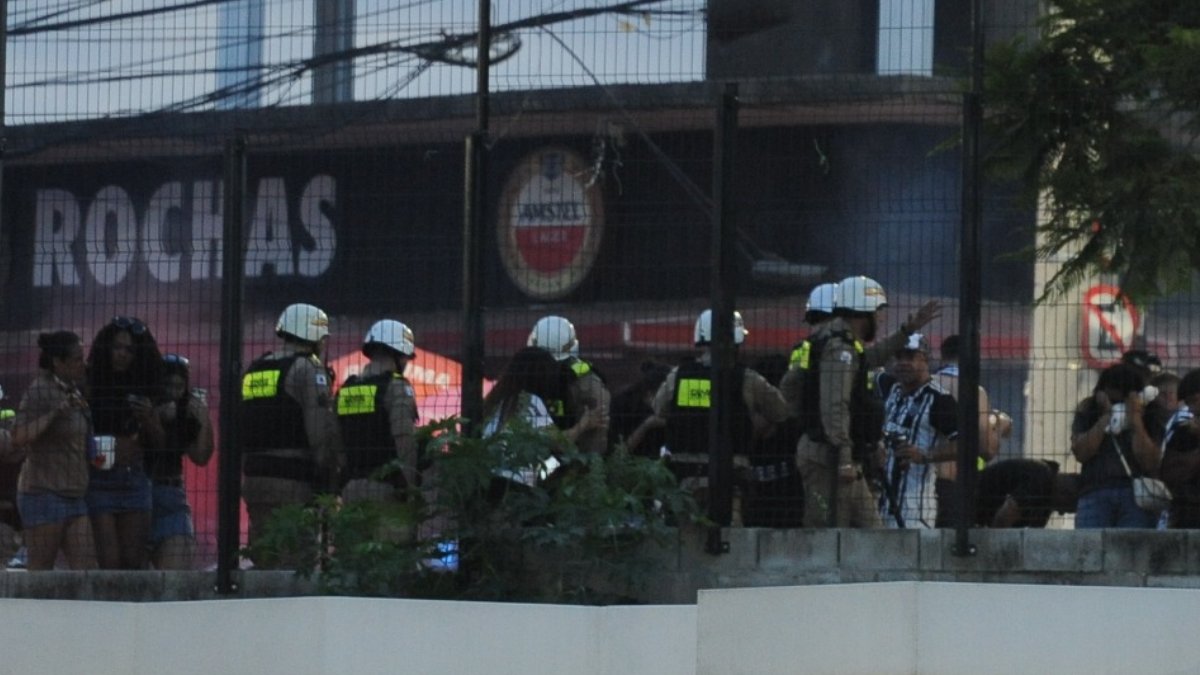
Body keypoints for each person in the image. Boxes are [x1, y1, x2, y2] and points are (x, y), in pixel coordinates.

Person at [794, 275, 941, 528]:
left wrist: (908, 329)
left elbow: (869, 358)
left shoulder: (842, 344)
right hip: (830, 463)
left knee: (872, 537)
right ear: (864, 313)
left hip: (844, 461)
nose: (881, 319)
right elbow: (835, 407)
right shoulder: (838, 349)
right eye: (879, 312)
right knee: (831, 540)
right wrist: (844, 460)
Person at [644, 309, 791, 508]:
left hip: (685, 472)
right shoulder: (747, 378)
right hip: (731, 473)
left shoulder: (679, 375)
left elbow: (659, 408)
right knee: (731, 532)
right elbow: (781, 411)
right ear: (737, 340)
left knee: (686, 532)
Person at [240, 303, 341, 563]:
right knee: (298, 563)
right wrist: (329, 480)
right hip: (293, 482)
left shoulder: (255, 370)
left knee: (264, 557)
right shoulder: (308, 368)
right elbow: (319, 434)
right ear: (315, 336)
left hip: (254, 480)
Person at [10, 331, 97, 570]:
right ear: (58, 362)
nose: (83, 364)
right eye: (77, 359)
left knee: (88, 573)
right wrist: (55, 413)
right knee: (41, 574)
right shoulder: (40, 391)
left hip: (75, 495)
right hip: (44, 495)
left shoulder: (73, 390)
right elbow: (18, 436)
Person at [86, 316, 164, 569]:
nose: (122, 354)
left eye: (129, 350)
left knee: (132, 563)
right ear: (107, 348)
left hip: (134, 478)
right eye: (117, 347)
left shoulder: (147, 388)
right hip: (99, 478)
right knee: (109, 563)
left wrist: (150, 418)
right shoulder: (90, 385)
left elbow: (162, 445)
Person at [481, 346, 605, 487]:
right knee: (561, 462)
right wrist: (585, 423)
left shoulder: (498, 402)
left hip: (486, 480)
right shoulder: (530, 403)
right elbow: (560, 443)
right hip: (513, 485)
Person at [876, 334, 959, 528]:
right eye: (898, 357)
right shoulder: (890, 389)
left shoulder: (939, 400)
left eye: (910, 357)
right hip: (881, 502)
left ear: (925, 359)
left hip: (915, 508)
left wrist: (924, 455)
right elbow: (866, 362)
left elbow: (967, 443)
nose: (903, 363)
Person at [930, 334, 1011, 527]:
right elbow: (986, 449)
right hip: (953, 486)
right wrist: (999, 424)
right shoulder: (973, 391)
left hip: (920, 485)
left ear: (942, 357)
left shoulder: (925, 386)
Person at [336, 320, 420, 505]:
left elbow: (336, 441)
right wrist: (410, 487)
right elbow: (404, 440)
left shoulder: (346, 389)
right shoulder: (397, 387)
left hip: (350, 490)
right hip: (386, 490)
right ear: (398, 355)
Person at [1070, 362, 1160, 528]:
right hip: (1095, 490)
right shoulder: (1089, 410)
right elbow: (1082, 452)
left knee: (1131, 550)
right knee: (1092, 548)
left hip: (1136, 495)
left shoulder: (1150, 414)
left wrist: (1135, 420)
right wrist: (1106, 416)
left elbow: (1149, 461)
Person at [147, 353, 213, 570]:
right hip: (139, 493)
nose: (173, 393)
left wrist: (203, 419)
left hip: (171, 493)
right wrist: (155, 416)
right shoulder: (144, 407)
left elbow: (201, 456)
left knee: (176, 577)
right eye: (168, 386)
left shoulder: (184, 413)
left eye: (179, 386)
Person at [526, 315, 611, 455]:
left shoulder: (523, 377)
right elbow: (595, 445)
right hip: (570, 462)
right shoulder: (590, 382)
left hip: (537, 461)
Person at [975, 459, 1078, 528]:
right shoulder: (1041, 482)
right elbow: (1004, 516)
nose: (1060, 513)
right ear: (1065, 493)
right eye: (1065, 507)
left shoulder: (1046, 501)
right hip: (968, 503)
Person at [1159, 369, 1200, 528]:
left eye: (1194, 401)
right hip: (1188, 514)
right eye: (1188, 403)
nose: (1190, 409)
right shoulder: (1183, 432)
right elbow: (1169, 472)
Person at [608, 359, 671, 458]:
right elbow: (617, 455)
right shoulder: (623, 404)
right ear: (649, 395)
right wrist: (647, 425)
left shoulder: (670, 411)